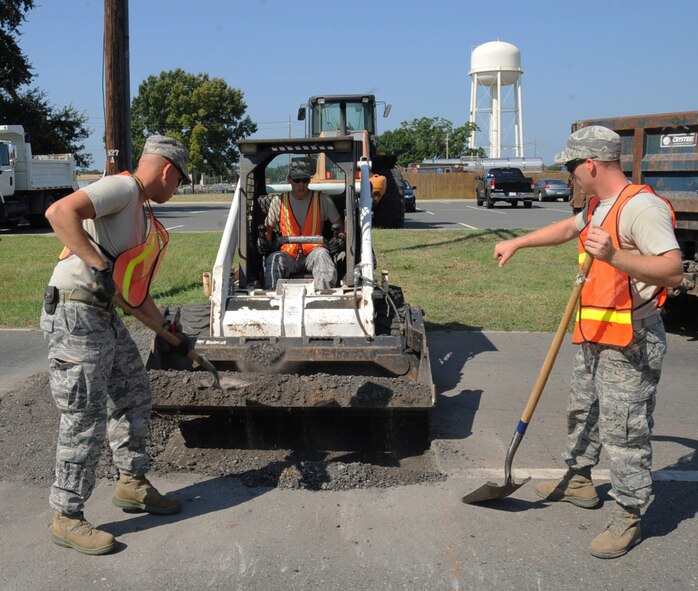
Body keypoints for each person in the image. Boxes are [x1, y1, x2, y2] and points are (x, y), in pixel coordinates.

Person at [493, 126, 683, 559]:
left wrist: (614, 256)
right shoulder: (599, 205)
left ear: (591, 164)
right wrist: (518, 242)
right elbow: (566, 228)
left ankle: (629, 513)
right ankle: (578, 480)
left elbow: (672, 270)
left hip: (631, 339)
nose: (571, 175)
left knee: (625, 431)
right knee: (583, 411)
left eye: (572, 167)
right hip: (596, 332)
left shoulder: (642, 208)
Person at [41, 135, 192, 555]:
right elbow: (59, 211)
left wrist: (174, 337)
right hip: (75, 315)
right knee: (83, 416)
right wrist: (96, 262)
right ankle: (67, 516)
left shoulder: (140, 212)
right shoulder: (123, 188)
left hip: (101, 314)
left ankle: (132, 483)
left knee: (133, 390)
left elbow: (135, 294)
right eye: (179, 181)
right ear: (167, 171)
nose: (176, 189)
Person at [259, 158, 345, 291]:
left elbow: (339, 226)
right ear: (289, 179)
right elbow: (268, 229)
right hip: (288, 254)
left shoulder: (322, 200)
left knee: (323, 256)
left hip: (313, 252)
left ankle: (324, 296)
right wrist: (265, 243)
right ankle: (271, 298)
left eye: (305, 180)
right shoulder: (279, 201)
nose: (301, 185)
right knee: (274, 259)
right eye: (297, 180)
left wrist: (340, 240)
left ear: (309, 180)